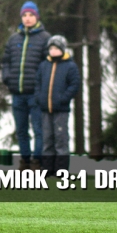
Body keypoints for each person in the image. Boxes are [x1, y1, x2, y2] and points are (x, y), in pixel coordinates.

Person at [1, 1, 50, 171]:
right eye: (25, 15)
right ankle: (25, 161)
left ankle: (37, 161)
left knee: (38, 129)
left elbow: (48, 65)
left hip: (35, 94)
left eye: (31, 15)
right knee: (21, 130)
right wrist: (7, 77)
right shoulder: (14, 38)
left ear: (36, 16)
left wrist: (40, 86)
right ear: (21, 17)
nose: (28, 18)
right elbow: (6, 61)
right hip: (17, 93)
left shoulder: (45, 38)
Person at [33, 36, 80, 176]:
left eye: (56, 48)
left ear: (62, 49)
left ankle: (61, 170)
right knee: (47, 139)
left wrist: (62, 99)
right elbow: (38, 84)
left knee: (61, 140)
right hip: (45, 109)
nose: (53, 51)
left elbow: (74, 85)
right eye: (51, 48)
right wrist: (39, 98)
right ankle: (47, 169)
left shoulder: (70, 66)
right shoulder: (44, 65)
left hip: (61, 110)